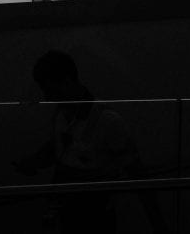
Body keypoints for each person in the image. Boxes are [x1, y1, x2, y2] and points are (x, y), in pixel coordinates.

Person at [14, 50, 168, 234]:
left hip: (96, 216)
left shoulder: (107, 120)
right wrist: (34, 162)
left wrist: (159, 226)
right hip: (70, 212)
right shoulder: (64, 115)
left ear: (67, 81)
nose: (48, 98)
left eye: (51, 91)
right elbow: (59, 147)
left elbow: (138, 175)